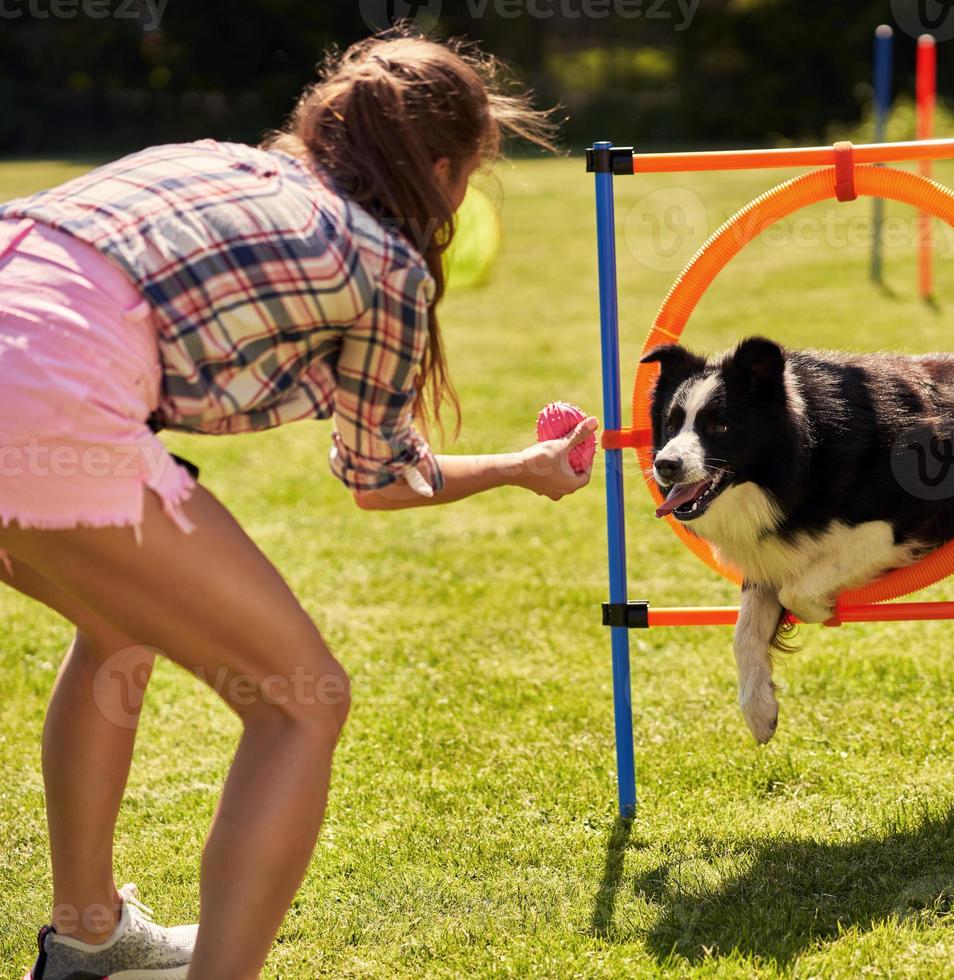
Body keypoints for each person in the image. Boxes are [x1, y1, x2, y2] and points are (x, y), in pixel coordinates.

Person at [0, 29, 595, 980]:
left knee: (118, 625)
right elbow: (381, 479)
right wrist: (524, 468)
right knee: (300, 703)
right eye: (469, 176)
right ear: (441, 170)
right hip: (40, 403)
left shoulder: (218, 160)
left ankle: (88, 937)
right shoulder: (386, 264)